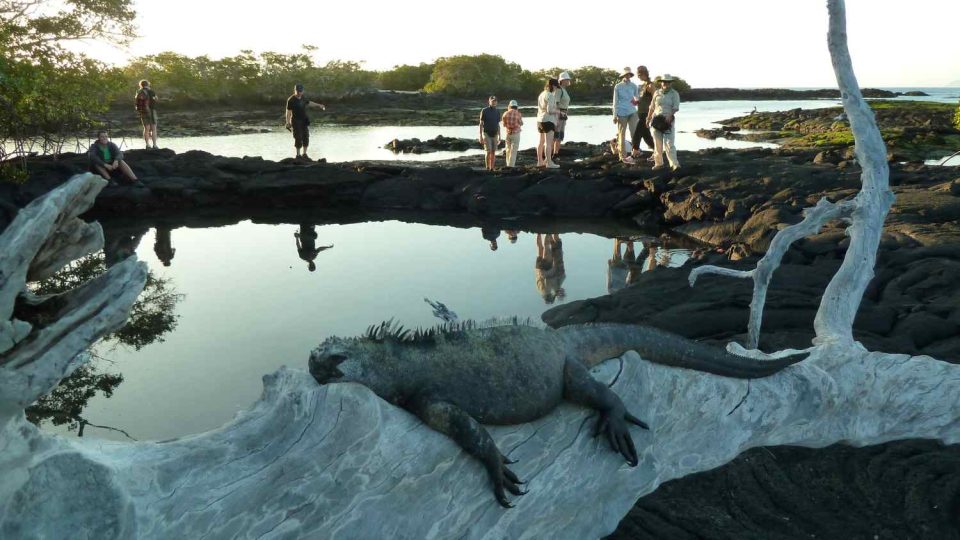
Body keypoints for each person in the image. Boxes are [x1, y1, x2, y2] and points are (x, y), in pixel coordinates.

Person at [646, 74, 681, 171]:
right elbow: (652, 107)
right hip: (656, 120)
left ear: (670, 83)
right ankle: (658, 164)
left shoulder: (674, 94)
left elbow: (676, 107)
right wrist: (648, 118)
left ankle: (674, 164)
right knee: (657, 144)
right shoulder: (657, 92)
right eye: (664, 81)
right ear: (661, 82)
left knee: (669, 143)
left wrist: (670, 115)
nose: (666, 83)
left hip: (668, 120)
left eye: (668, 82)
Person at [285, 83, 326, 161]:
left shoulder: (303, 97)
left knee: (306, 137)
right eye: (297, 91)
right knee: (298, 137)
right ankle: (298, 155)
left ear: (303, 91)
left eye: (300, 91)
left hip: (304, 120)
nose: (299, 93)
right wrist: (287, 122)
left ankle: (304, 154)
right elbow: (288, 112)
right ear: (295, 90)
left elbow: (309, 103)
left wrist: (319, 105)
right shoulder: (291, 100)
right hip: (295, 120)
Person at [612, 68, 639, 164]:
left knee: (634, 133)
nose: (627, 76)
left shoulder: (634, 86)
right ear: (623, 76)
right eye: (626, 75)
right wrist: (614, 115)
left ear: (631, 76)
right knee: (621, 134)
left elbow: (637, 99)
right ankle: (622, 156)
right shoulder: (618, 86)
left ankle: (633, 155)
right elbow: (615, 102)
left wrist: (636, 102)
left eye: (629, 75)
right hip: (621, 112)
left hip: (632, 112)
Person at [631, 66, 655, 159]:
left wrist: (652, 115)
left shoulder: (650, 85)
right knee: (646, 135)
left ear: (645, 74)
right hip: (640, 113)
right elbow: (643, 99)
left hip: (646, 114)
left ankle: (634, 152)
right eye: (638, 75)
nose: (638, 76)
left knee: (637, 133)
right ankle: (656, 151)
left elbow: (656, 100)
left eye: (640, 75)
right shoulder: (642, 86)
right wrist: (637, 102)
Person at [536, 78, 561, 168]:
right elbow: (550, 110)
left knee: (541, 142)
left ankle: (539, 162)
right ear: (553, 86)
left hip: (540, 120)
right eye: (556, 87)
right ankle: (549, 163)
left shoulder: (541, 94)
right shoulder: (550, 95)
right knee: (548, 143)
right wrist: (559, 112)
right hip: (548, 120)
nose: (556, 89)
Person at [552, 71, 573, 160]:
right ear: (562, 80)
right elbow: (554, 104)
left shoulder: (564, 90)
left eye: (568, 79)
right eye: (566, 79)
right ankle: (552, 154)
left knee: (560, 135)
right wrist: (558, 115)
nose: (568, 81)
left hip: (564, 114)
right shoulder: (559, 90)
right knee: (556, 135)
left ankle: (556, 154)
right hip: (559, 114)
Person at [478, 95, 501, 170]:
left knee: (493, 151)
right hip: (486, 133)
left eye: (495, 101)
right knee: (488, 151)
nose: (494, 102)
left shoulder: (497, 111)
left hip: (495, 134)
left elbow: (498, 124)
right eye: (492, 101)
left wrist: (500, 137)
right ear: (489, 102)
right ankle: (487, 167)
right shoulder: (484, 110)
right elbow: (481, 124)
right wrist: (480, 136)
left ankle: (492, 168)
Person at [135, 80, 159, 149]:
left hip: (143, 112)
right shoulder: (151, 91)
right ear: (148, 84)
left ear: (141, 85)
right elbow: (156, 99)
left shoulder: (139, 92)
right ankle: (154, 145)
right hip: (151, 111)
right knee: (154, 129)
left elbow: (137, 102)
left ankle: (147, 145)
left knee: (146, 129)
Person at [501, 99, 523, 167]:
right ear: (516, 106)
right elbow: (521, 123)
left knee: (508, 149)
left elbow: (504, 125)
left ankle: (508, 164)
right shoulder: (518, 113)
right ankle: (511, 166)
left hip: (508, 133)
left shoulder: (505, 113)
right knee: (513, 150)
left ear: (509, 106)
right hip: (516, 133)